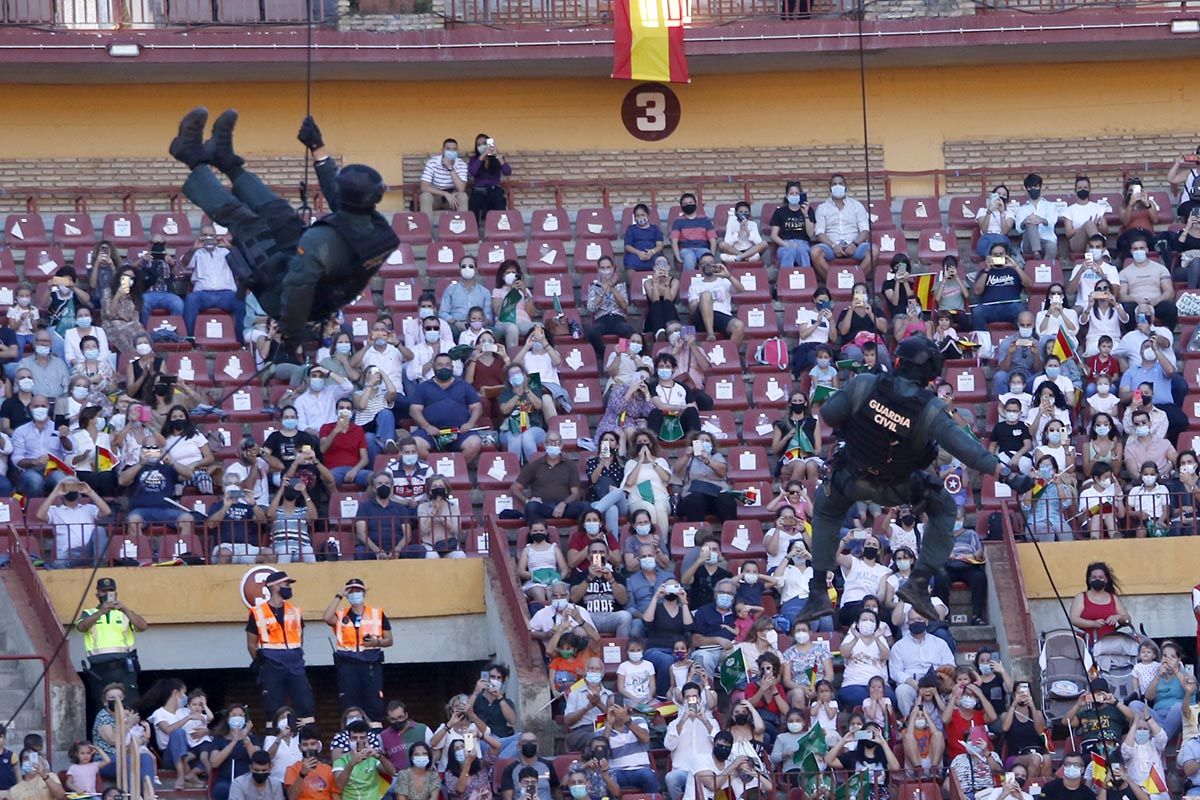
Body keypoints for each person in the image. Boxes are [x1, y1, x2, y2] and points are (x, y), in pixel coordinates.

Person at [794, 336, 1033, 625]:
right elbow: (966, 449)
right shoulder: (931, 409)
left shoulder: (865, 384)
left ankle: (819, 588)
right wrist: (1006, 474)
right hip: (898, 488)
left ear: (897, 362)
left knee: (825, 508)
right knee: (944, 508)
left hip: (851, 478)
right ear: (931, 374)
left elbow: (830, 415)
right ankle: (918, 582)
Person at [169, 109, 399, 340]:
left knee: (248, 223)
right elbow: (337, 194)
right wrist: (317, 147)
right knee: (279, 212)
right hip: (308, 264)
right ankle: (226, 160)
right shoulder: (376, 226)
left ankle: (191, 157)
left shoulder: (343, 244)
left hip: (286, 294)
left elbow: (301, 283)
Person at [246, 570, 316, 724]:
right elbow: (251, 643)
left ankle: (307, 736)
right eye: (286, 584)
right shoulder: (258, 612)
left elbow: (300, 635)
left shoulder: (295, 611)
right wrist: (262, 664)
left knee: (305, 701)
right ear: (275, 586)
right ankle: (274, 737)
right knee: (273, 706)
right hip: (271, 663)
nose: (289, 587)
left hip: (295, 662)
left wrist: (294, 654)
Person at [323, 578, 393, 724]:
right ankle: (352, 732)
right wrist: (339, 595)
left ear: (364, 593)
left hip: (370, 663)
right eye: (351, 591)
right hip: (348, 664)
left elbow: (389, 640)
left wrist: (377, 642)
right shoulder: (341, 614)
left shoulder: (377, 614)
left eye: (358, 590)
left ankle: (374, 733)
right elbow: (327, 617)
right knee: (349, 703)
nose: (355, 593)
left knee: (374, 703)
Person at [75, 577, 147, 707]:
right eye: (104, 591)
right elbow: (81, 627)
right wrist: (101, 612)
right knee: (102, 705)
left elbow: (142, 627)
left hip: (124, 667)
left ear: (116, 593)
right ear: (97, 594)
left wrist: (125, 609)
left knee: (130, 703)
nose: (107, 594)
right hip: (99, 669)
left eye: (111, 590)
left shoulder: (125, 613)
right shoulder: (89, 613)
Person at [408, 353, 484, 465]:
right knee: (415, 444)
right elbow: (414, 410)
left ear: (452, 367)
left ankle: (455, 469)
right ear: (433, 367)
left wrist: (470, 424)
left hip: (460, 432)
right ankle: (435, 470)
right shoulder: (423, 387)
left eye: (447, 365)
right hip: (431, 432)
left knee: (475, 443)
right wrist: (427, 426)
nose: (444, 368)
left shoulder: (463, 385)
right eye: (440, 365)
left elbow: (477, 407)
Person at [512, 433, 590, 522]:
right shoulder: (535, 465)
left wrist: (563, 504)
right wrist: (527, 501)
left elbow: (575, 493)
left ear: (561, 445)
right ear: (545, 445)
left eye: (556, 442)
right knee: (531, 507)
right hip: (543, 506)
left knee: (585, 506)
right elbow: (515, 487)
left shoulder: (570, 465)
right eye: (550, 441)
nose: (553, 444)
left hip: (565, 506)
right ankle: (537, 533)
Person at [811, 173, 875, 279]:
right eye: (834, 184)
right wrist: (833, 246)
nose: (837, 186)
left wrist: (854, 244)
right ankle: (834, 282)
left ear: (846, 187)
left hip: (854, 245)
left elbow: (865, 230)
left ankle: (856, 280)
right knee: (814, 252)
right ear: (830, 188)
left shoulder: (857, 205)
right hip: (831, 247)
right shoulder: (822, 208)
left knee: (874, 251)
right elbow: (819, 233)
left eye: (840, 184)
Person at [39, 477, 110, 567]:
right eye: (68, 487)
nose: (71, 490)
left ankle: (100, 566)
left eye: (74, 486)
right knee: (59, 563)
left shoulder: (89, 508)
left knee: (100, 530)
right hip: (68, 553)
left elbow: (107, 511)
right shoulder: (54, 511)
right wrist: (55, 493)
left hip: (88, 551)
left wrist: (90, 492)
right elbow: (40, 515)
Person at [664, 682, 717, 800]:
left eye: (694, 697)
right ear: (683, 700)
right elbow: (669, 745)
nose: (691, 700)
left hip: (706, 771)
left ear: (699, 699)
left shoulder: (711, 722)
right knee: (671, 778)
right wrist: (683, 720)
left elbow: (718, 743)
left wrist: (704, 720)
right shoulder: (674, 724)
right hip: (683, 771)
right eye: (688, 697)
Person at [584, 256, 634, 363]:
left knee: (627, 330)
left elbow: (624, 305)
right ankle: (605, 356)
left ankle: (623, 354)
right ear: (598, 269)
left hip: (618, 317)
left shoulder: (620, 285)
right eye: (602, 268)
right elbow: (591, 308)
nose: (606, 271)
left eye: (608, 267)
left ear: (613, 268)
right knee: (592, 333)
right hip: (601, 318)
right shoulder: (593, 286)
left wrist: (612, 288)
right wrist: (603, 291)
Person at [1069, 562, 1131, 647]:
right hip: (1086, 644)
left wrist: (1118, 617)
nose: (1097, 579)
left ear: (1106, 579)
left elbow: (1127, 619)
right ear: (1089, 579)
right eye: (1094, 577)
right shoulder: (1081, 597)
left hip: (1109, 645)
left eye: (1100, 577)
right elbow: (1074, 619)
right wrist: (1093, 624)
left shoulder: (1113, 598)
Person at [687, 254, 745, 344]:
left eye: (710, 263)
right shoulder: (695, 286)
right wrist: (704, 300)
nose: (708, 265)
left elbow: (741, 290)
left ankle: (730, 355)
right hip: (701, 318)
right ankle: (710, 334)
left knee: (739, 326)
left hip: (721, 316)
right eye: (704, 263)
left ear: (715, 265)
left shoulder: (724, 281)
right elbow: (692, 310)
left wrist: (728, 275)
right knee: (706, 295)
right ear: (699, 267)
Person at [333, 721, 395, 800]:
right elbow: (339, 786)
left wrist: (379, 756)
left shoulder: (373, 758)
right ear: (349, 740)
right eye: (354, 738)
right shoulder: (340, 761)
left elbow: (392, 772)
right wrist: (351, 763)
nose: (358, 741)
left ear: (367, 739)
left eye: (362, 738)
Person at [1014, 173, 1059, 261]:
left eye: (1035, 186)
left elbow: (1052, 221)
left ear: (1040, 187)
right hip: (1028, 244)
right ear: (1027, 189)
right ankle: (1036, 253)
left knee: (1052, 247)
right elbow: (1019, 229)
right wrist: (1025, 222)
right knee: (1030, 221)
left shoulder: (1050, 206)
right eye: (1030, 187)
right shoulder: (1022, 209)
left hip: (1046, 240)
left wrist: (1041, 220)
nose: (1033, 189)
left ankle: (1043, 268)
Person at [419, 137, 470, 216]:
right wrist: (445, 194)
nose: (451, 151)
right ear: (442, 151)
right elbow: (424, 187)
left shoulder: (462, 164)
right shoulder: (432, 162)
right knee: (425, 196)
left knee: (463, 196)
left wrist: (450, 168)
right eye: (448, 149)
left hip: (453, 198)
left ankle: (461, 226)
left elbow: (461, 188)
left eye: (454, 149)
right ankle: (427, 227)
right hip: (435, 196)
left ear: (457, 152)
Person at [285, 726, 338, 800]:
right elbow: (292, 797)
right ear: (299, 747)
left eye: (313, 744)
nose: (309, 748)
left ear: (318, 746)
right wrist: (302, 774)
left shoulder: (327, 769)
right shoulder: (292, 769)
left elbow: (335, 795)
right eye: (305, 745)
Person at [770, 182, 815, 268]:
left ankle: (807, 278)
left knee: (802, 251)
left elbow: (810, 234)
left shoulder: (809, 210)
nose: (794, 196)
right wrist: (787, 245)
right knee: (790, 251)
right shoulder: (780, 212)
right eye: (791, 193)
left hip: (803, 244)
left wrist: (805, 214)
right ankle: (785, 279)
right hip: (785, 243)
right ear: (787, 196)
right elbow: (773, 235)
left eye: (797, 193)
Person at [623, 203, 665, 272]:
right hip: (636, 255)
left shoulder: (655, 229)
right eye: (637, 216)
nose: (640, 217)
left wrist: (652, 252)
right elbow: (627, 246)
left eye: (643, 215)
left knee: (662, 261)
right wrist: (639, 253)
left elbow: (659, 245)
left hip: (653, 255)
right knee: (630, 262)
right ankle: (633, 282)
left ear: (648, 216)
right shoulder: (631, 229)